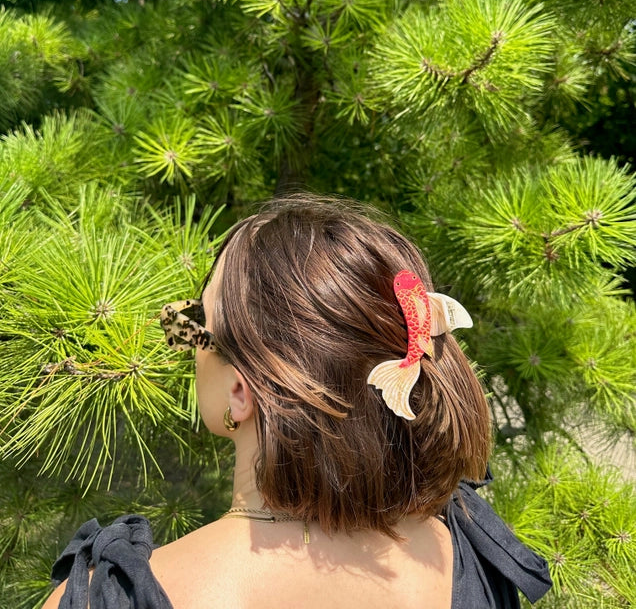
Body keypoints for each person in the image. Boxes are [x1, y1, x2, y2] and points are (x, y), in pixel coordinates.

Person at [44, 194, 552, 609]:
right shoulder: (469, 551)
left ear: (240, 391)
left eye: (196, 322)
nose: (180, 336)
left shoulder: (113, 598)